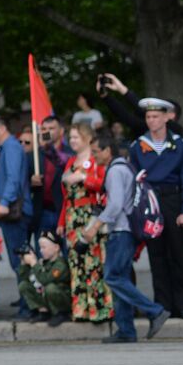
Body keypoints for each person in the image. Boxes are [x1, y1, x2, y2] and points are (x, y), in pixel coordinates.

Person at [86, 132, 170, 343]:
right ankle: (126, 330)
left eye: (96, 152)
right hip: (128, 230)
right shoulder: (126, 167)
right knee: (119, 279)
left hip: (121, 231)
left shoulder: (115, 171)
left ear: (107, 150)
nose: (94, 156)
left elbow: (115, 206)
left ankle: (155, 311)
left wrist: (95, 226)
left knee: (113, 277)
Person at [127, 97, 183, 317]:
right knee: (157, 254)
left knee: (179, 253)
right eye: (148, 117)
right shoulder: (138, 146)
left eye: (155, 116)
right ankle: (163, 304)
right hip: (150, 202)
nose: (151, 121)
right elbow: (133, 178)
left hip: (172, 200)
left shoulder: (180, 145)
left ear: (166, 118)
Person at [57, 122, 114, 323]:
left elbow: (103, 185)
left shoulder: (95, 159)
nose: (72, 141)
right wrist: (62, 220)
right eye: (70, 137)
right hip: (73, 216)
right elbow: (66, 196)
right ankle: (81, 308)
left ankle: (99, 308)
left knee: (93, 261)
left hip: (91, 214)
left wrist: (83, 177)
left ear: (88, 138)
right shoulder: (71, 160)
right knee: (76, 261)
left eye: (76, 137)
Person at [0, 115, 34, 316]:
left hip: (15, 212)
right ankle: (27, 302)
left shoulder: (12, 148)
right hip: (13, 212)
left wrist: (4, 202)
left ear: (2, 128)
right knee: (19, 261)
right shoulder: (7, 149)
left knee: (21, 261)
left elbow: (14, 179)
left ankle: (29, 305)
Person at [31, 115, 73, 237]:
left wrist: (45, 147)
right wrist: (32, 181)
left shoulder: (70, 152)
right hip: (43, 211)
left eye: (51, 128)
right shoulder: (34, 154)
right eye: (44, 129)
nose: (47, 132)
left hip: (63, 210)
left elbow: (61, 162)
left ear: (61, 131)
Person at [17, 233, 72, 326]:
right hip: (46, 297)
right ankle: (43, 311)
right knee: (24, 285)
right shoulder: (43, 262)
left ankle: (61, 313)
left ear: (56, 248)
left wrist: (34, 263)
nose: (41, 251)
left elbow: (46, 280)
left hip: (63, 300)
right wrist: (24, 264)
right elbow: (26, 278)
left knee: (50, 287)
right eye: (40, 248)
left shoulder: (60, 265)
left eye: (44, 247)